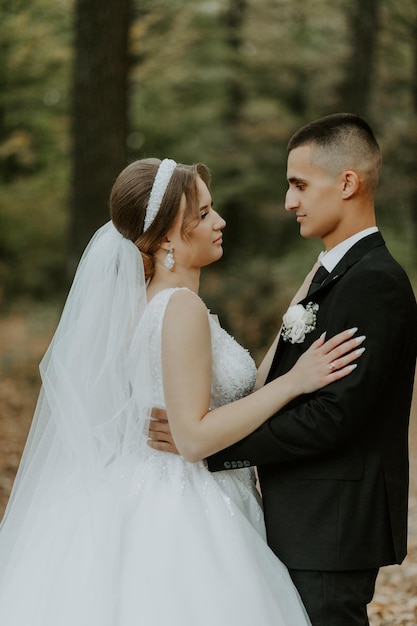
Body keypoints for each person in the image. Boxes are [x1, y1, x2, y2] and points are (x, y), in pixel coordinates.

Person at [0, 157, 364, 625]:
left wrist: (291, 321)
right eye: (205, 214)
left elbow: (230, 397)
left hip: (144, 484)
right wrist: (297, 382)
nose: (220, 221)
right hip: (187, 504)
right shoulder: (182, 308)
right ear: (169, 235)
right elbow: (192, 438)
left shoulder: (149, 303)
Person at [149, 114, 417, 626]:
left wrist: (208, 446)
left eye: (299, 185)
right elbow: (277, 386)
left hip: (330, 526)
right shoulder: (334, 276)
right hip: (302, 520)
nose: (289, 201)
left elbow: (334, 417)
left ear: (346, 183)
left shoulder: (374, 282)